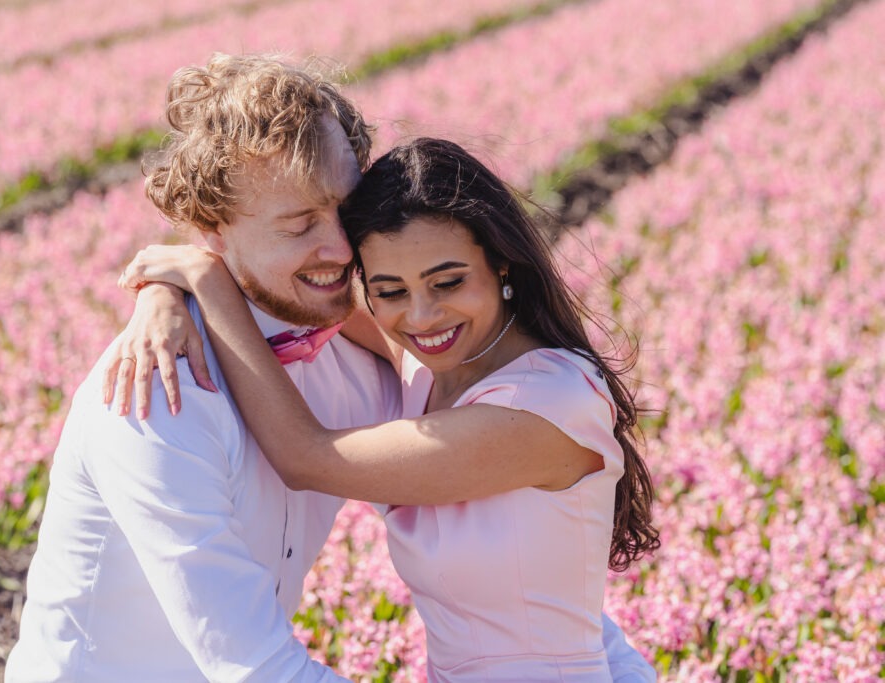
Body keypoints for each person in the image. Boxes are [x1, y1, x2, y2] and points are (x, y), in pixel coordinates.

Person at [114, 137, 661, 681]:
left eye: (448, 282)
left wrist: (206, 283)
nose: (422, 317)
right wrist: (163, 294)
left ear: (501, 264)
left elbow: (307, 458)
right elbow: (289, 286)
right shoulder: (432, 368)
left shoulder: (545, 405)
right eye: (390, 291)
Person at [6, 54, 401, 682]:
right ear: (208, 231)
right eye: (299, 226)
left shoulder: (360, 353)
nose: (342, 247)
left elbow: (470, 543)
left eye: (347, 211)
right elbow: (257, 669)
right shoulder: (156, 388)